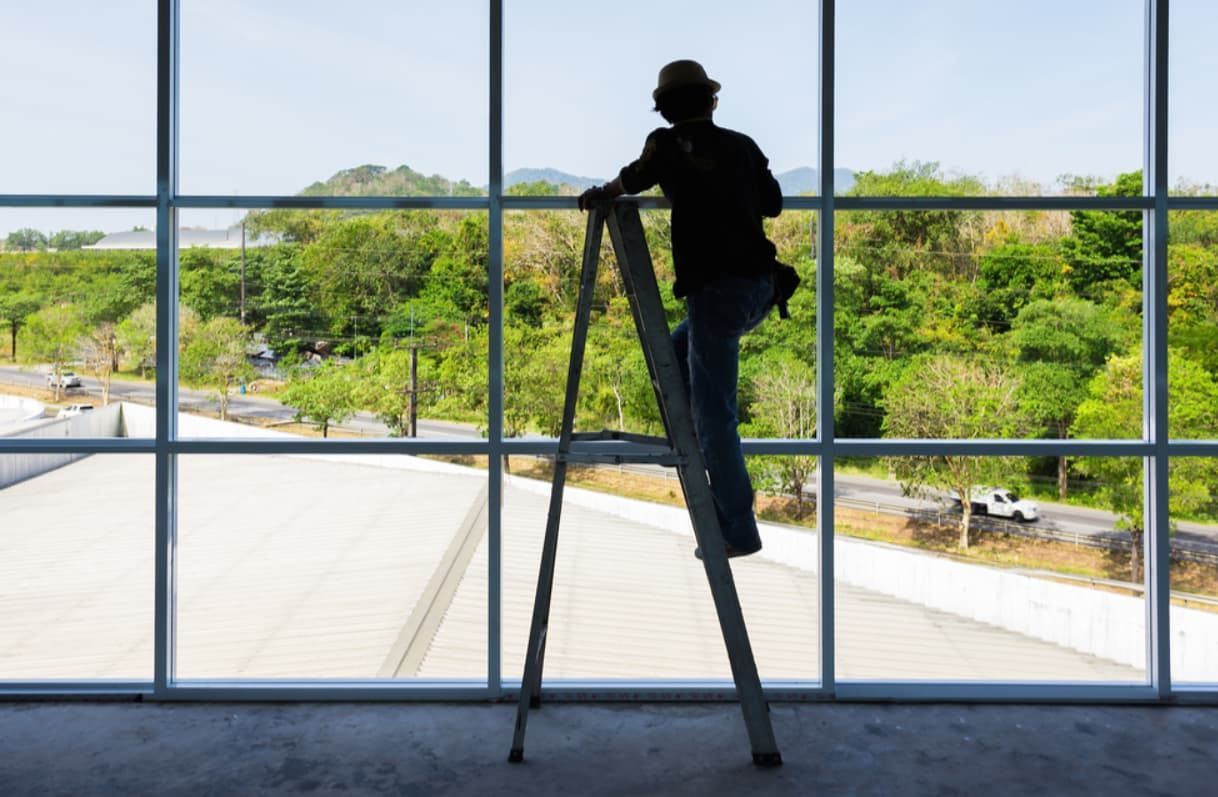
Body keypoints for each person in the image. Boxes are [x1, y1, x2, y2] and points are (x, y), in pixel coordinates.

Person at [578, 59, 783, 559]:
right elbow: (773, 203)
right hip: (760, 286)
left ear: (665, 109)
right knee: (675, 351)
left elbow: (632, 179)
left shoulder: (666, 145)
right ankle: (700, 451)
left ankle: (737, 527)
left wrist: (601, 195)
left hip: (714, 291)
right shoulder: (742, 144)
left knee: (716, 418)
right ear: (711, 102)